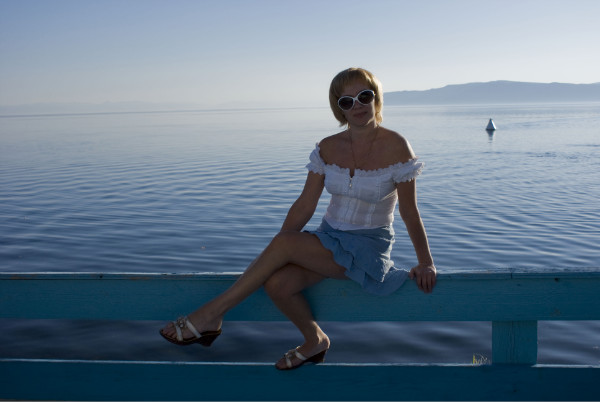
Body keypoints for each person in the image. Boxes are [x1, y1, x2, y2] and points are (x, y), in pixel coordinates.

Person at [160, 67, 436, 370]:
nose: (357, 105)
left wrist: (425, 261)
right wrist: (278, 254)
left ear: (376, 98)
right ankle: (315, 340)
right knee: (278, 283)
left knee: (284, 246)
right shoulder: (327, 147)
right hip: (327, 238)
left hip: (367, 246)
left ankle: (210, 316)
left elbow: (410, 211)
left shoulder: (397, 146)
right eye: (347, 101)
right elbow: (305, 204)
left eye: (364, 96)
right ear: (339, 108)